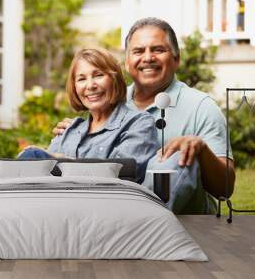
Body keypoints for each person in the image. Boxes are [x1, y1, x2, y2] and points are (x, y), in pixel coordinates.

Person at [53, 18, 236, 214]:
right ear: (127, 62)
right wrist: (75, 134)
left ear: (176, 59)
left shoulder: (201, 107)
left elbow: (224, 189)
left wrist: (201, 150)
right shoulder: (109, 100)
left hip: (185, 224)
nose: (147, 58)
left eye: (158, 50)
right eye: (138, 51)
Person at [20, 48, 159, 182]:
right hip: (53, 201)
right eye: (81, 79)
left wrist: (62, 159)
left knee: (32, 156)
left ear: (114, 79)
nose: (90, 85)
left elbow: (121, 176)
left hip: (104, 202)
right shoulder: (69, 129)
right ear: (74, 87)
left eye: (98, 75)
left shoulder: (139, 123)